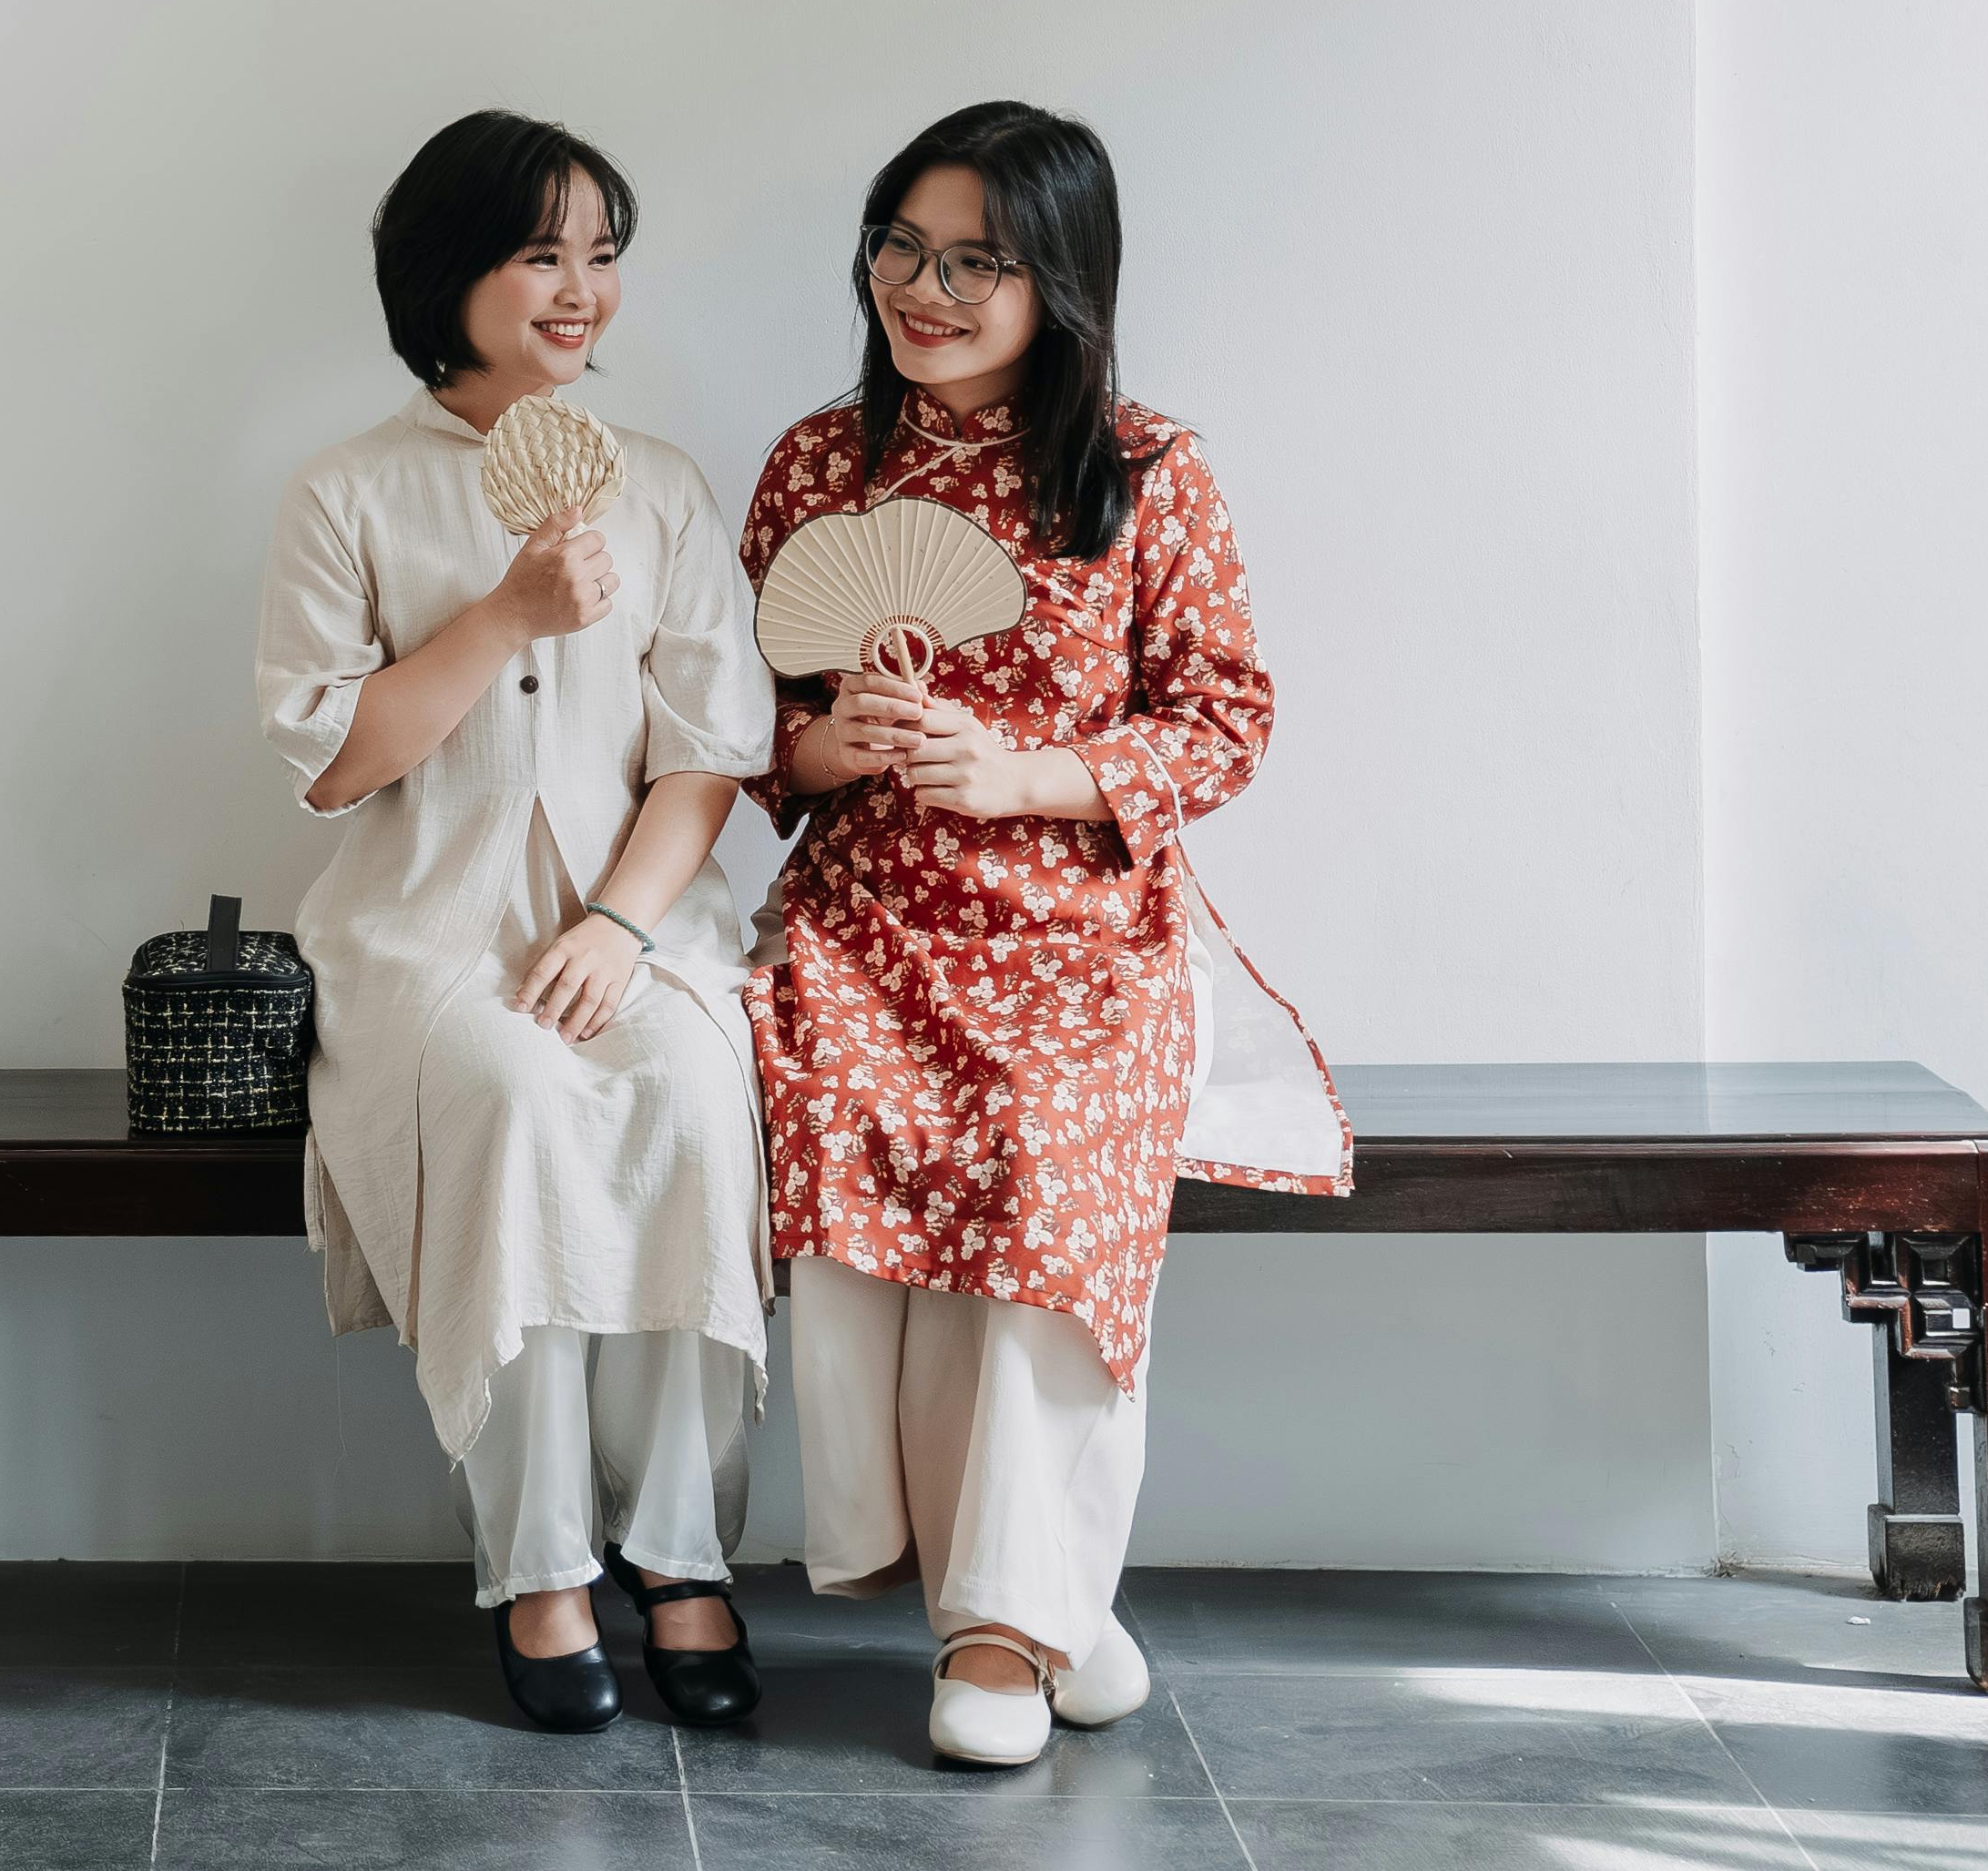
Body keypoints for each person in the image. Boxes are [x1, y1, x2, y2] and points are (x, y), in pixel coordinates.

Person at [742, 100, 1348, 1766]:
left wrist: (1027, 769)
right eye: (899, 246)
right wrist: (829, 746)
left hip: (1085, 932)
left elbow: (1226, 719)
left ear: (1058, 283)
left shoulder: (1147, 469)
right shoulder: (816, 462)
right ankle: (1015, 1585)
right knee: (834, 1112)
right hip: (863, 927)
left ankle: (1007, 1634)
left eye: (974, 262)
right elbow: (745, 740)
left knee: (1039, 1149)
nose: (920, 289)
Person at [257, 110, 779, 1735]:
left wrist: (622, 927)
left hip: (639, 919)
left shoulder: (666, 488)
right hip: (427, 928)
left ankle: (678, 1546)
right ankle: (540, 1560)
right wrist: (503, 614)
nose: (581, 290)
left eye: (602, 254)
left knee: (692, 1098)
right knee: (507, 1095)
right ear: (448, 269)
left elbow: (709, 753)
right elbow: (335, 762)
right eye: (541, 251)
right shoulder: (347, 493)